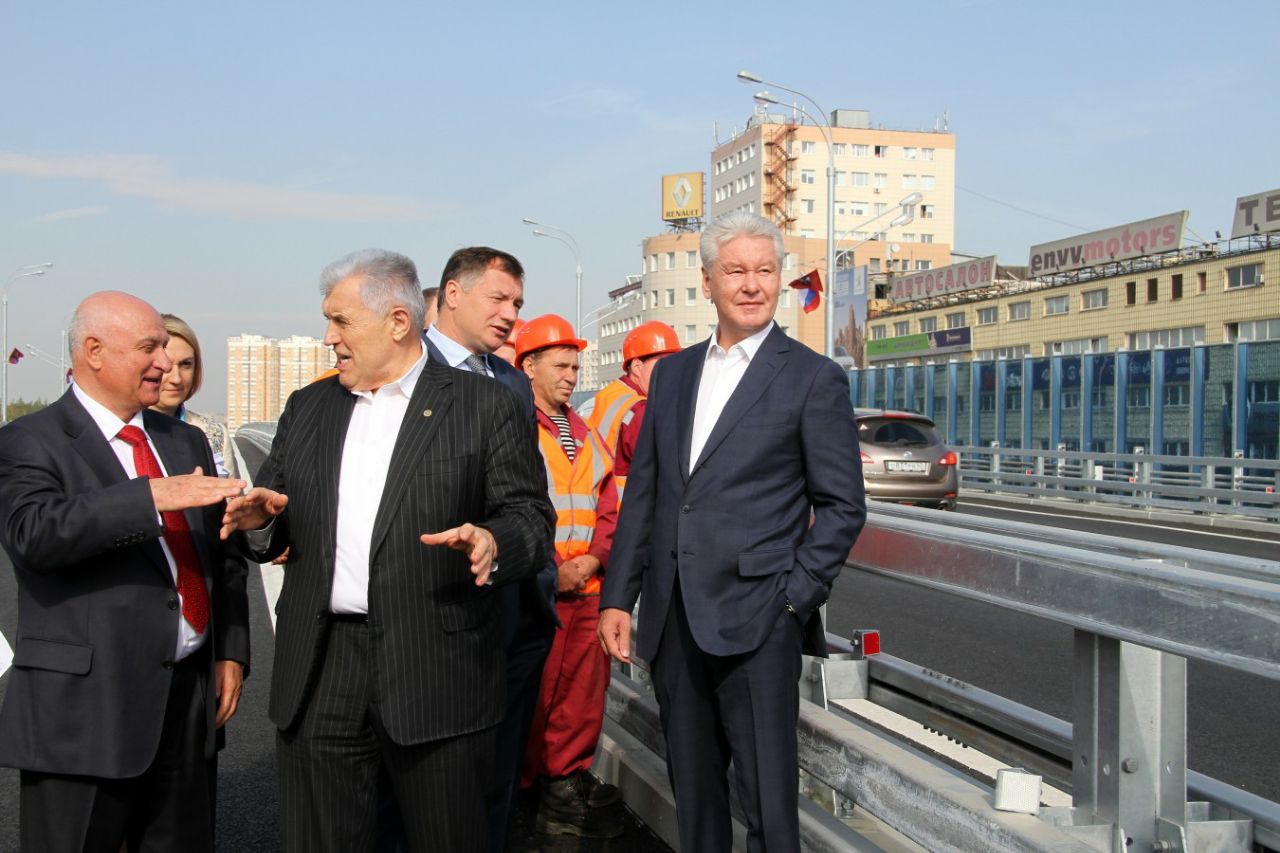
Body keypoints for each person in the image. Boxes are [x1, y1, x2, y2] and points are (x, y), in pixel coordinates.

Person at [221, 248, 553, 852]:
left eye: (341, 321)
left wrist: (492, 541)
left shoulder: (485, 406)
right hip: (323, 667)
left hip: (436, 666)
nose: (329, 338)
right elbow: (274, 520)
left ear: (398, 322)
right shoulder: (309, 408)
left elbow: (531, 520)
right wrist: (259, 523)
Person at [598, 211, 866, 853]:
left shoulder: (812, 377)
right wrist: (618, 596)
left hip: (760, 621)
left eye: (765, 271)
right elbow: (647, 494)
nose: (752, 284)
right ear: (708, 281)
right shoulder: (673, 375)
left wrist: (793, 601)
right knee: (696, 804)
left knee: (769, 809)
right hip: (673, 620)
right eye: (736, 270)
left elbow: (842, 507)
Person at [0, 291, 250, 852]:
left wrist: (230, 651)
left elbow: (221, 556)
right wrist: (149, 497)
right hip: (86, 714)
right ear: (94, 351)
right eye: (149, 347)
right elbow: (33, 535)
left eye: (166, 348)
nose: (165, 363)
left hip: (187, 700)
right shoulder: (29, 440)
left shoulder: (183, 439)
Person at [424, 247, 558, 852]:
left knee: (498, 775)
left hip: (515, 607)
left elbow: (528, 497)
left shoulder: (511, 383)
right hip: (439, 606)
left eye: (518, 303)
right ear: (453, 293)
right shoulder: (407, 370)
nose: (510, 314)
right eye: (498, 298)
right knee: (433, 784)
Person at [514, 315, 623, 839]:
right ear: (529, 366)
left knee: (582, 695)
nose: (571, 376)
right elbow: (515, 507)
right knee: (535, 695)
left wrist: (596, 559)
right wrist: (553, 568)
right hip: (541, 589)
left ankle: (563, 787)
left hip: (588, 588)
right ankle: (528, 794)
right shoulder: (516, 428)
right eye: (560, 365)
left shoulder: (585, 432)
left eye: (575, 367)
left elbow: (609, 508)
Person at [584, 321, 681, 498]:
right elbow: (667, 472)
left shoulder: (609, 394)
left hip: (601, 501)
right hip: (626, 506)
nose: (672, 372)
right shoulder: (640, 410)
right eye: (665, 363)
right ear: (637, 367)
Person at [151, 313, 238, 478]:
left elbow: (230, 492)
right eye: (166, 365)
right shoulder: (124, 431)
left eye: (186, 364)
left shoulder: (212, 433)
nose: (176, 379)